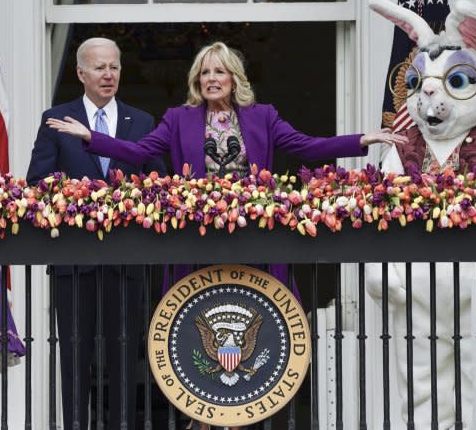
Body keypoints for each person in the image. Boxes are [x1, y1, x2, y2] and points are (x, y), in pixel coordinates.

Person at [47, 41, 407, 430]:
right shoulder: (177, 118)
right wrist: (91, 137)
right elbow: (138, 152)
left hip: (252, 249)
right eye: (205, 72)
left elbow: (306, 145)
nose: (212, 79)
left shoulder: (263, 117)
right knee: (196, 335)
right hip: (199, 248)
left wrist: (361, 141)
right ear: (196, 80)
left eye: (219, 71)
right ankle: (202, 419)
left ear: (235, 79)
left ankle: (247, 416)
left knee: (257, 331)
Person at [26, 37, 166, 430]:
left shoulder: (141, 122)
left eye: (114, 67)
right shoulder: (56, 118)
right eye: (100, 67)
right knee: (75, 356)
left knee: (126, 358)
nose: (108, 75)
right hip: (74, 262)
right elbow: (37, 182)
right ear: (81, 73)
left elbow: (160, 180)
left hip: (127, 261)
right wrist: (74, 196)